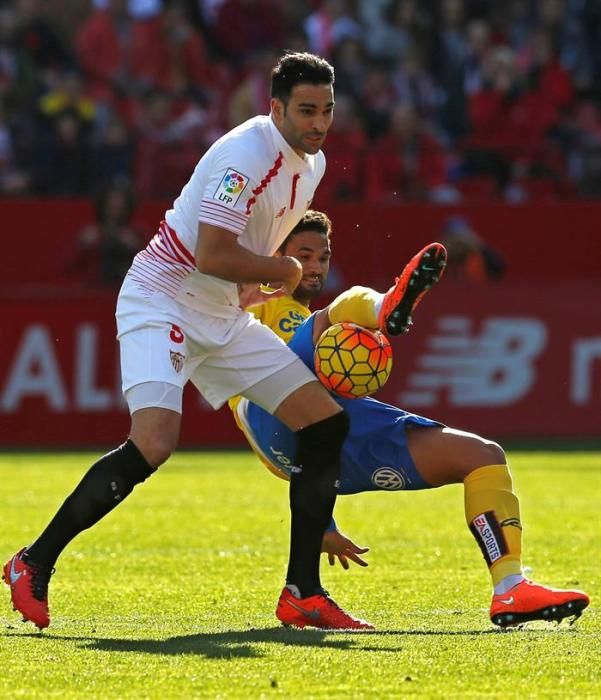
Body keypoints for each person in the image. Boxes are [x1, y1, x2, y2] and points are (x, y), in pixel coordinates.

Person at [3, 52, 428, 633]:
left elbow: (247, 247)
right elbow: (210, 254)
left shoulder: (314, 163)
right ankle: (33, 562)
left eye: (327, 110)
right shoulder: (243, 154)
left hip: (222, 312)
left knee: (325, 423)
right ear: (274, 107)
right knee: (154, 442)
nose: (319, 123)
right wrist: (279, 272)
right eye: (306, 110)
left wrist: (256, 283)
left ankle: (303, 593)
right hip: (164, 296)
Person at [231, 210, 590, 630]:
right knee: (337, 312)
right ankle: (387, 307)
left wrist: (321, 521)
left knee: (482, 456)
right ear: (275, 257)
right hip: (268, 411)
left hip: (334, 430)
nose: (314, 267)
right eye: (302, 255)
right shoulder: (262, 302)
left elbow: (312, 446)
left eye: (322, 257)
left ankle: (510, 586)